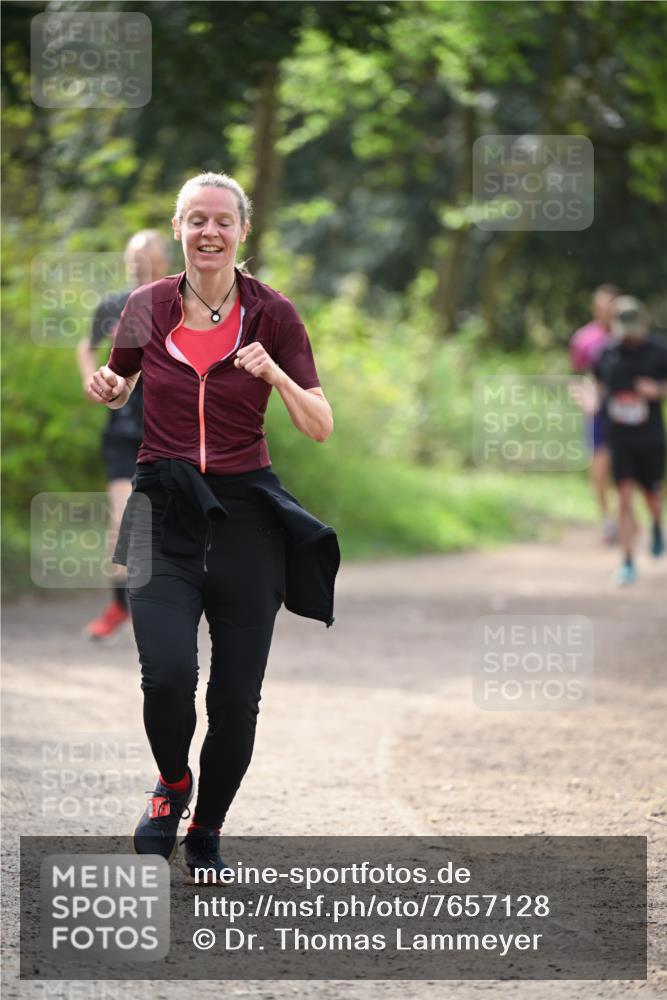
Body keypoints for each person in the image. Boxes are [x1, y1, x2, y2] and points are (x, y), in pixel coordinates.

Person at [85, 171, 340, 881]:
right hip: (159, 505)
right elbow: (117, 382)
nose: (208, 232)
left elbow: (319, 425)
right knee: (165, 675)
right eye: (195, 219)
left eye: (222, 221)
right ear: (177, 230)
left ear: (242, 232)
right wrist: (106, 386)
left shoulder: (274, 315)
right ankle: (172, 784)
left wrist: (277, 378)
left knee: (234, 698)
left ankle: (207, 831)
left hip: (244, 517)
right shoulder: (145, 306)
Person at [77, 231, 170, 639]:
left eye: (146, 259)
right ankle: (119, 607)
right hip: (122, 430)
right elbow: (86, 347)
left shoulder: (177, 304)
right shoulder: (113, 306)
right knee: (122, 521)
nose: (138, 266)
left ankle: (175, 602)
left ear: (163, 262)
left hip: (168, 429)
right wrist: (90, 380)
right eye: (132, 259)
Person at [593, 296, 667, 585]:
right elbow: (597, 384)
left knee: (651, 497)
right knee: (623, 497)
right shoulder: (607, 352)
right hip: (619, 435)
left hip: (650, 436)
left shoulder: (659, 350)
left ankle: (657, 525)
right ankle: (626, 561)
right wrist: (591, 399)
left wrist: (658, 390)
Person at [569, 284, 619, 543]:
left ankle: (626, 517)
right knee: (599, 468)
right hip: (598, 412)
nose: (607, 311)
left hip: (625, 411)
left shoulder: (630, 336)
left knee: (625, 467)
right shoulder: (584, 339)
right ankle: (607, 519)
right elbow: (575, 377)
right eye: (603, 306)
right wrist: (584, 399)